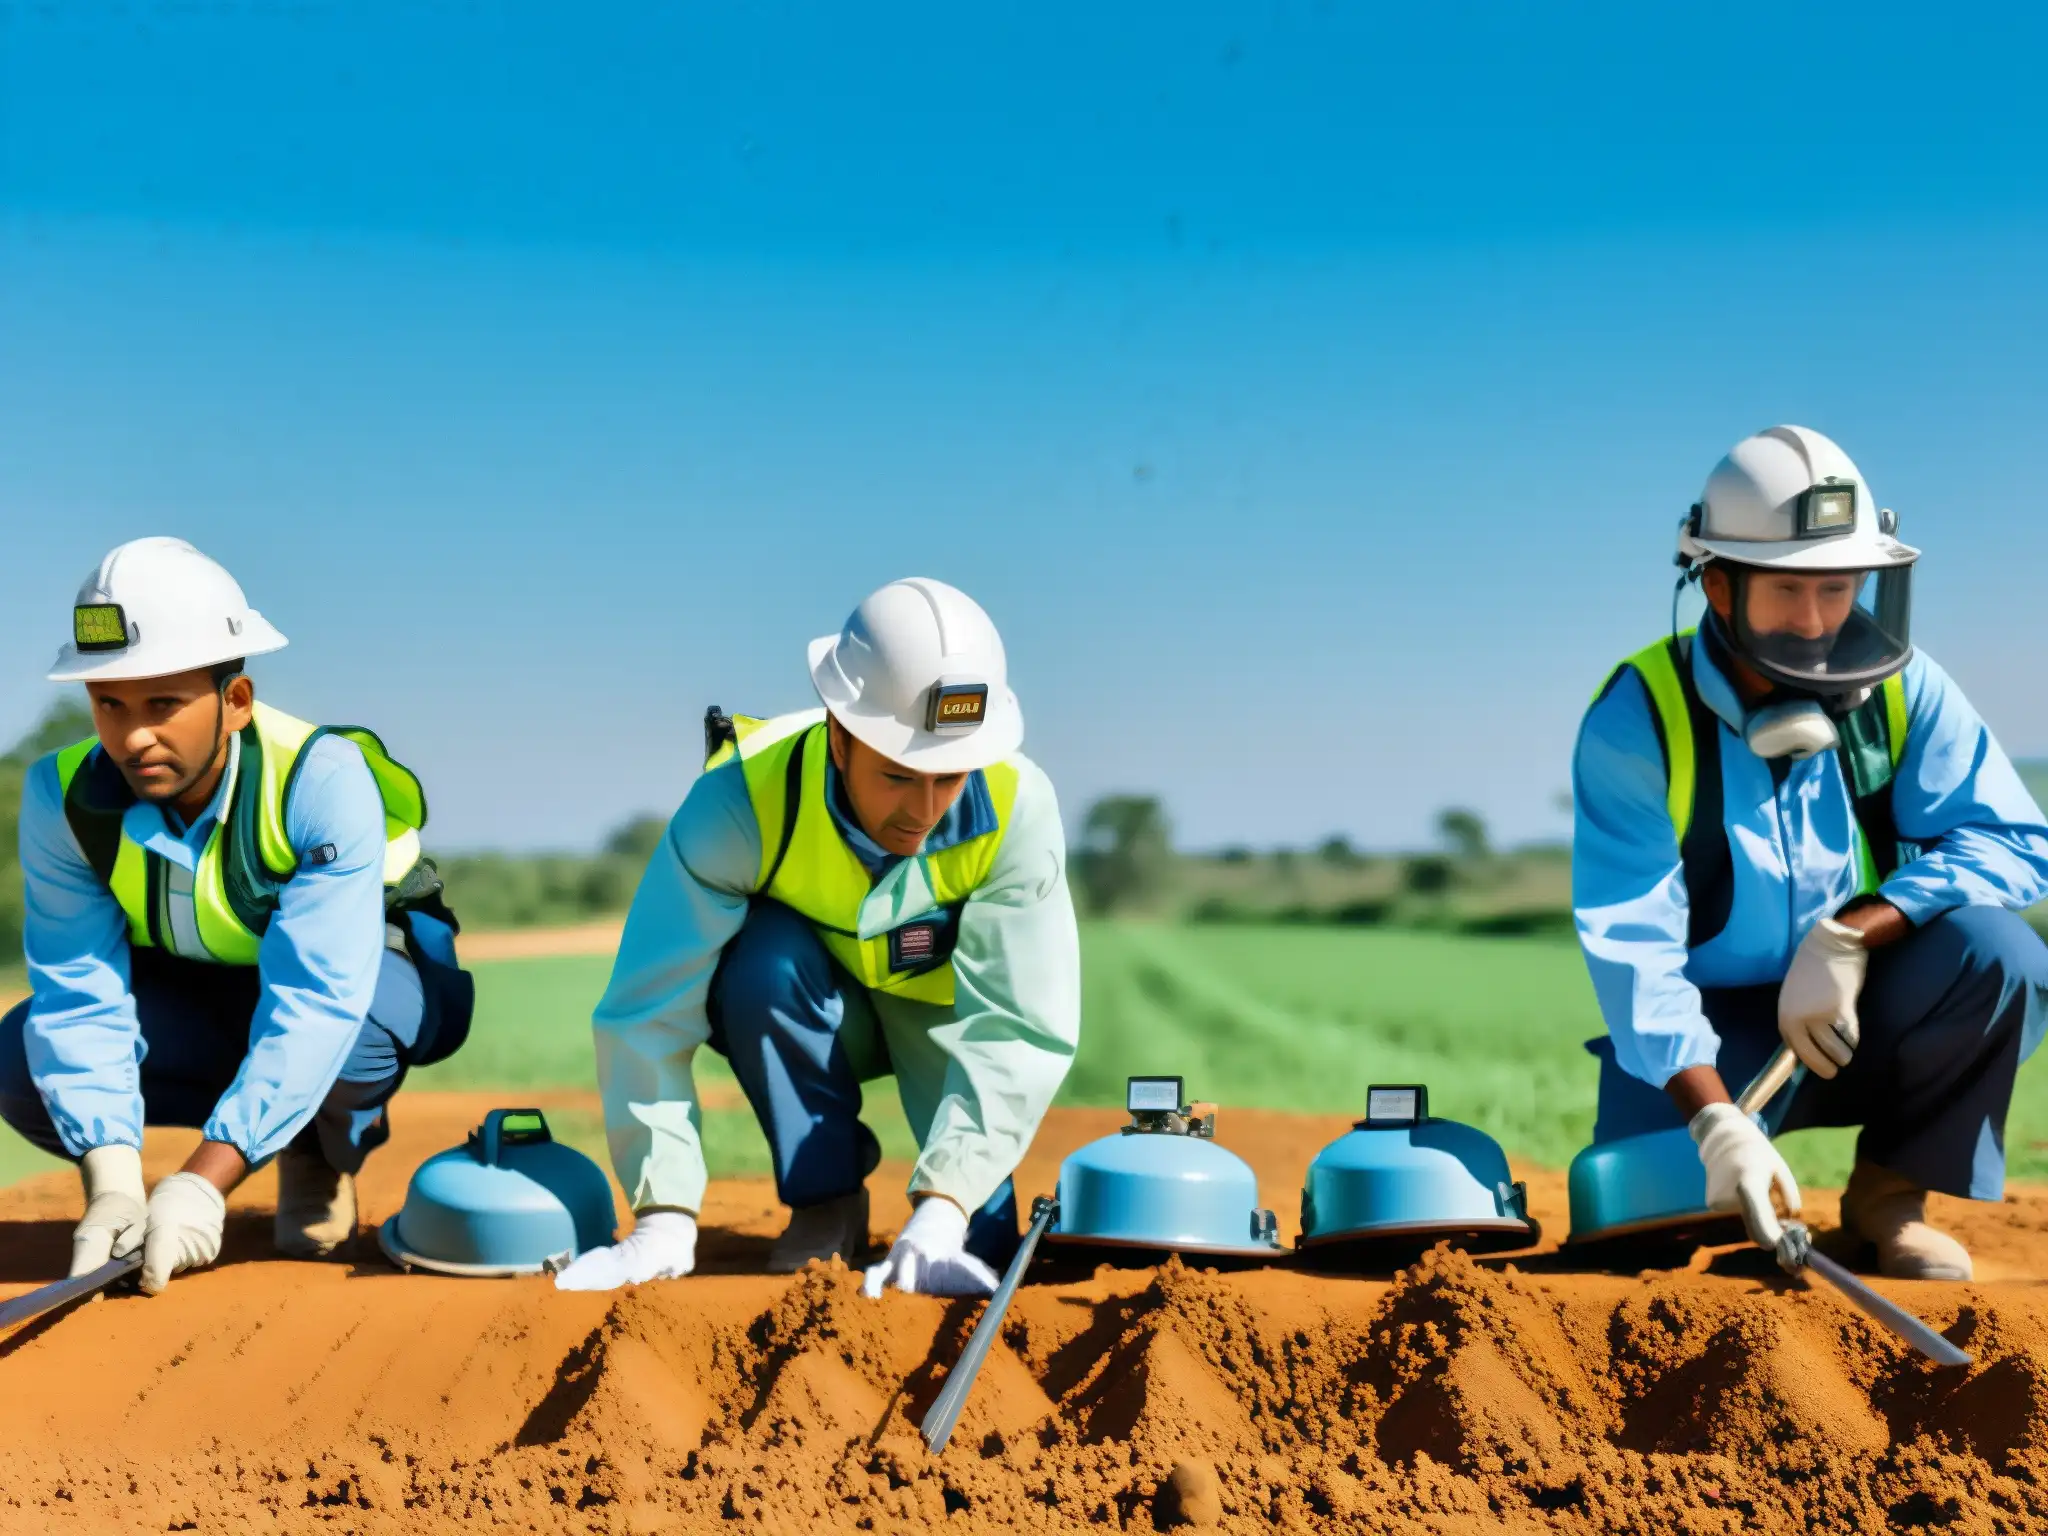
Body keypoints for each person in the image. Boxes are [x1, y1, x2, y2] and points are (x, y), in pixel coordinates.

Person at [1572, 426, 2048, 1280]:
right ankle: (1712, 1157)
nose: (1818, 620)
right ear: (1719, 585)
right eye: (1788, 591)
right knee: (1645, 1229)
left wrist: (1854, 935)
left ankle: (1887, 1202)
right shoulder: (1637, 715)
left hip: (1857, 1005)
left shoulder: (1908, 687)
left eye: (1839, 587)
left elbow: (2013, 839)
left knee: (2001, 954)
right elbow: (1632, 945)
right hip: (1712, 1040)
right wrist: (1716, 1123)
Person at [555, 577, 1080, 1297]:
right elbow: (647, 1012)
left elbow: (1020, 1024)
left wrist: (946, 1206)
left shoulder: (1020, 807)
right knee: (761, 961)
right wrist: (663, 1215)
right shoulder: (739, 802)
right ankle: (827, 1200)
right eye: (898, 775)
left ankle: (954, 1210)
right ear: (840, 736)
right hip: (811, 1009)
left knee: (979, 1243)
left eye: (950, 776)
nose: (923, 810)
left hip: (947, 1021)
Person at [0, 537, 472, 1294]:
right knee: (21, 1060)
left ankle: (318, 1153)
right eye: (109, 704)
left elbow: (318, 998)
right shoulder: (63, 797)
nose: (133, 736)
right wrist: (115, 1186)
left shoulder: (320, 780)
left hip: (361, 986)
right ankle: (244, 1133)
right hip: (197, 994)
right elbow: (77, 993)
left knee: (356, 1038)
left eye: (163, 703)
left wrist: (196, 1186)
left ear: (236, 701)